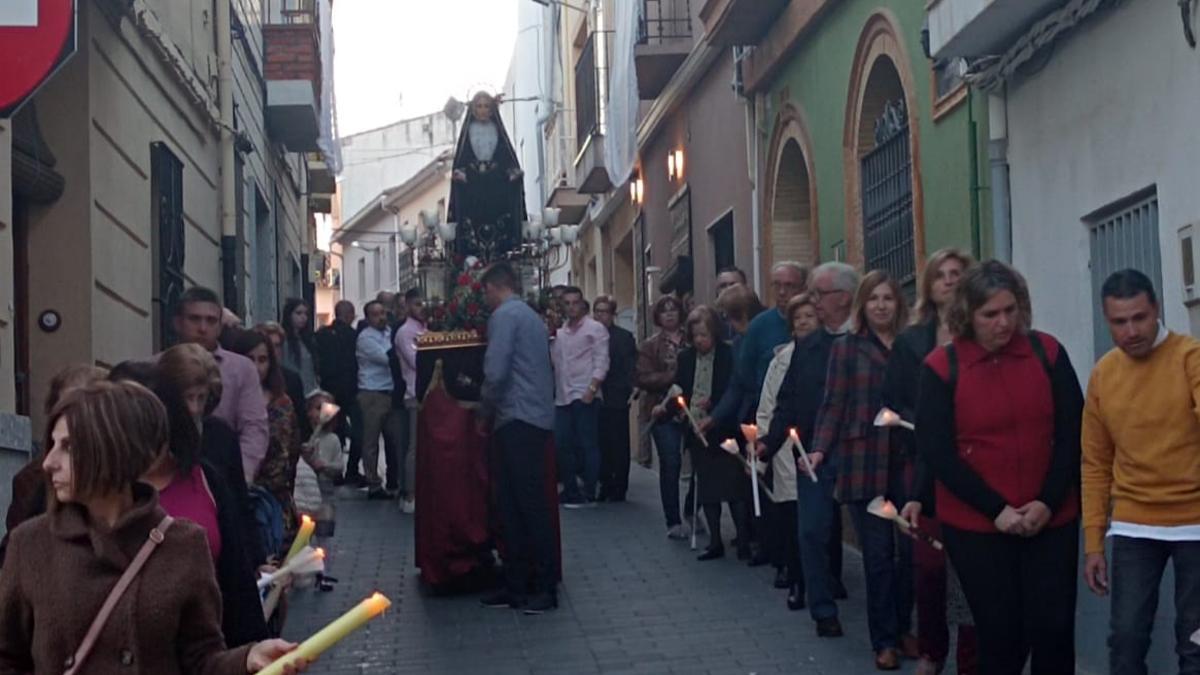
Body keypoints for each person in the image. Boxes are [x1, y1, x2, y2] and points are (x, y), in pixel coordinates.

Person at [0, 381, 305, 673]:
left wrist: (247, 658)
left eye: (67, 447)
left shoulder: (183, 543)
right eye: (52, 444)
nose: (48, 462)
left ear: (113, 449)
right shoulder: (30, 544)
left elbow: (201, 660)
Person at [915, 260, 1083, 675]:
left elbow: (1073, 431)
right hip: (978, 524)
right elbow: (938, 451)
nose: (1003, 323)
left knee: (1054, 629)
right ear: (968, 315)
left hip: (1052, 514)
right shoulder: (942, 367)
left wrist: (1047, 501)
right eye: (990, 314)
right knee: (1001, 634)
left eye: (1010, 310)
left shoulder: (1047, 352)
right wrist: (997, 510)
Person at [1082, 268, 1200, 675]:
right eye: (1119, 322)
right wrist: (1094, 541)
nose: (1131, 330)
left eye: (1139, 318)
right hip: (1135, 523)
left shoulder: (1190, 358)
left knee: (1196, 640)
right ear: (1106, 320)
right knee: (1126, 640)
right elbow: (1095, 462)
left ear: (1157, 310)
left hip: (1196, 521)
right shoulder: (1104, 375)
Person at [110, 356, 270, 648]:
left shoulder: (205, 479)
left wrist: (251, 651)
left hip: (204, 648)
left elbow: (236, 581)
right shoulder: (88, 487)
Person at [808, 270, 910, 670]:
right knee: (879, 557)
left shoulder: (909, 345)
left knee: (913, 554)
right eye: (874, 299)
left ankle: (903, 627)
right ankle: (884, 640)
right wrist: (819, 449)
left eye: (888, 298)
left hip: (906, 458)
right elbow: (834, 403)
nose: (881, 305)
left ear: (897, 304)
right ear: (862, 306)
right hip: (864, 461)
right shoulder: (848, 349)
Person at [884, 248, 977, 675]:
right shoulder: (910, 342)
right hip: (923, 460)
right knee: (929, 566)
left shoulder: (981, 333)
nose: (950, 280)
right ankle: (931, 650)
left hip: (974, 461)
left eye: (958, 273)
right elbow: (896, 398)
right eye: (941, 274)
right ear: (928, 285)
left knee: (973, 569)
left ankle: (971, 658)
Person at [764, 261, 860, 639]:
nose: (813, 302)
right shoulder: (808, 346)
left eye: (820, 294)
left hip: (858, 451)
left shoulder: (862, 342)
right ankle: (823, 610)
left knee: (875, 540)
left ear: (845, 298)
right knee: (812, 530)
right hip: (811, 452)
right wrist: (769, 443)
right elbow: (787, 399)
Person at [477, 262, 558, 614]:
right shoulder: (529, 316)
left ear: (495, 287)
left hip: (517, 416)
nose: (484, 299)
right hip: (534, 415)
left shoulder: (505, 317)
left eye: (485, 292)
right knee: (516, 503)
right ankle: (519, 583)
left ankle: (540, 586)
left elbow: (496, 370)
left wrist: (484, 409)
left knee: (523, 504)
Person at [1, 365, 107, 568]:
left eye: (80, 410)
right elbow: (14, 555)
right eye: (62, 411)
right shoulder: (32, 479)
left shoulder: (132, 476)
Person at [757, 293, 820, 610]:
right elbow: (769, 404)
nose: (805, 322)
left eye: (811, 316)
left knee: (822, 522)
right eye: (799, 318)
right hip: (785, 448)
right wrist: (765, 442)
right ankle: (797, 580)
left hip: (820, 447)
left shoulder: (829, 353)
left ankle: (826, 579)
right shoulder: (781, 359)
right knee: (794, 519)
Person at [672, 307, 746, 561]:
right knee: (707, 489)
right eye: (696, 336)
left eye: (704, 335)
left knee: (734, 486)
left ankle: (744, 538)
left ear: (714, 332)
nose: (700, 340)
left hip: (722, 428)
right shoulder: (686, 358)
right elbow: (681, 386)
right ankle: (715, 541)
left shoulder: (728, 354)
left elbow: (733, 388)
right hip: (696, 429)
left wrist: (714, 404)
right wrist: (679, 408)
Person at [174, 286, 269, 483]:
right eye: (194, 319)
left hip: (225, 475)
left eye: (210, 321)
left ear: (219, 326)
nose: (202, 328)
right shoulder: (157, 366)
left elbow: (254, 427)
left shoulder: (242, 369)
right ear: (178, 323)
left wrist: (241, 474)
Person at [229, 329, 302, 542]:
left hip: (276, 499)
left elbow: (291, 449)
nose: (256, 367)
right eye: (249, 359)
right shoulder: (225, 399)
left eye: (262, 360)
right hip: (239, 495)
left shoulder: (282, 402)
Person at [550, 287, 609, 507]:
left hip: (585, 393)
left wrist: (592, 389)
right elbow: (556, 363)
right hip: (563, 396)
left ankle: (590, 491)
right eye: (567, 303)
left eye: (575, 302)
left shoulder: (595, 329)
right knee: (562, 443)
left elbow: (602, 360)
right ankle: (571, 490)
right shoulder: (560, 333)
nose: (571, 306)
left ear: (583, 304)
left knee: (588, 444)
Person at [636, 295, 688, 537]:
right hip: (661, 411)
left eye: (673, 309)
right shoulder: (650, 345)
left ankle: (691, 508)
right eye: (664, 310)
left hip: (692, 408)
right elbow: (643, 377)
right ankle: (673, 520)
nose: (669, 314)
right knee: (671, 463)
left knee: (701, 462)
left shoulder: (692, 337)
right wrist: (672, 378)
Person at [738, 262, 808, 407]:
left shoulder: (815, 323)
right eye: (777, 285)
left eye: (789, 286)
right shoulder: (759, 326)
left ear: (803, 288)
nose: (782, 292)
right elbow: (746, 373)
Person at [356, 300, 404, 499]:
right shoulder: (365, 338)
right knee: (371, 441)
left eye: (383, 313)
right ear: (368, 318)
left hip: (390, 391)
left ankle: (396, 480)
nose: (381, 317)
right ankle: (373, 483)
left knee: (395, 439)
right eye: (376, 314)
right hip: (372, 393)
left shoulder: (389, 333)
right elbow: (388, 358)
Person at [593, 295, 636, 502]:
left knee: (619, 443)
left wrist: (628, 390)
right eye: (597, 311)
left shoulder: (623, 337)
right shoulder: (590, 336)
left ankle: (620, 486)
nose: (601, 316)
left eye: (605, 311)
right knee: (601, 443)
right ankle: (605, 484)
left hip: (617, 396)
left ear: (612, 315)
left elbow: (629, 367)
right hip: (596, 397)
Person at [316, 300, 363, 485]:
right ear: (349, 314)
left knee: (329, 430)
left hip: (329, 391)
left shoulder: (322, 335)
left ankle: (333, 471)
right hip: (351, 390)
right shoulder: (354, 336)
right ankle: (352, 470)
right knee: (359, 431)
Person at [394, 288, 428, 514]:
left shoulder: (425, 328)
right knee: (414, 447)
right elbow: (418, 361)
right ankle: (409, 494)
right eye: (417, 304)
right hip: (415, 393)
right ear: (407, 306)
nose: (421, 308)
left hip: (428, 393)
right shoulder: (405, 332)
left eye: (423, 304)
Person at [301, 390, 343, 539]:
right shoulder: (303, 438)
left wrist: (324, 466)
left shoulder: (333, 440)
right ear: (308, 412)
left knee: (324, 537)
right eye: (318, 408)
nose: (322, 412)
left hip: (326, 494)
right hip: (304, 493)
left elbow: (339, 467)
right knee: (305, 537)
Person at [280, 298, 320, 397]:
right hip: (292, 393)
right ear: (289, 315)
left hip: (311, 392)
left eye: (306, 314)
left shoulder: (308, 340)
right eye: (298, 313)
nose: (303, 317)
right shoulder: (282, 340)